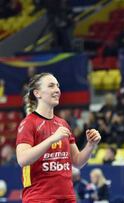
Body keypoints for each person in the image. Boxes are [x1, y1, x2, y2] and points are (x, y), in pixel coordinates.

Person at [16, 72, 101, 202]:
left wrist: (91, 145)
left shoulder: (62, 124)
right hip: (39, 198)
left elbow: (77, 161)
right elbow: (22, 159)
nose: (57, 90)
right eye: (51, 86)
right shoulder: (29, 123)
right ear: (37, 93)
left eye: (57, 86)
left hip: (67, 198)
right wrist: (52, 139)